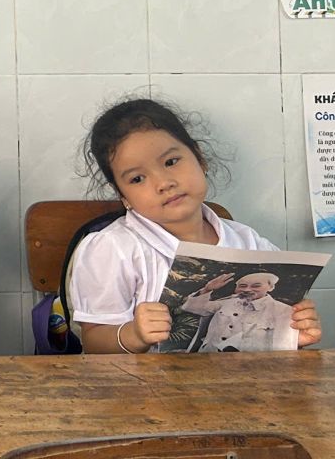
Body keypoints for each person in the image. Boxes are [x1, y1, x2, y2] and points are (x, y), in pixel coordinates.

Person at [67, 97, 321, 354]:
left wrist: (294, 331)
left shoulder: (249, 242)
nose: (163, 183)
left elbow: (276, 338)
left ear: (200, 158)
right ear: (123, 196)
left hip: (242, 378)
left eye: (171, 162)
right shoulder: (112, 249)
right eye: (137, 178)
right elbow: (93, 341)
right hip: (144, 380)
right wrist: (133, 335)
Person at [181, 272, 296, 352]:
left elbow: (284, 345)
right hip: (208, 358)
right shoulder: (227, 302)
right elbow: (192, 307)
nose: (247, 289)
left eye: (256, 286)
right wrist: (207, 289)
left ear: (270, 287)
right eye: (242, 286)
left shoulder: (283, 310)